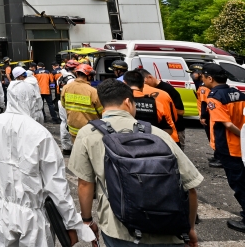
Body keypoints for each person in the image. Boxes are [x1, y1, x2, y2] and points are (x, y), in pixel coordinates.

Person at [69, 78, 202, 246]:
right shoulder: (157, 133)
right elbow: (190, 187)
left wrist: (87, 220)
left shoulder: (88, 134)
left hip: (119, 229)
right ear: (128, 102)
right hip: (168, 229)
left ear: (102, 104)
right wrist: (189, 229)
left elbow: (85, 184)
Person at [0, 71, 95, 247]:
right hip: (32, 217)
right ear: (33, 100)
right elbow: (56, 186)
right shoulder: (39, 133)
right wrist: (71, 222)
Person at [204, 63, 245, 232]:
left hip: (230, 147)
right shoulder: (238, 93)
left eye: (204, 77)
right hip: (241, 148)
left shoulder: (215, 97)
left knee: (239, 184)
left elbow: (227, 124)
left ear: (210, 78)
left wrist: (242, 137)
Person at [123, 70, 179, 144]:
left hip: (126, 146)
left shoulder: (119, 103)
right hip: (152, 145)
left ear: (124, 83)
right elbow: (169, 127)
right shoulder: (157, 103)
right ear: (143, 84)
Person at [142, 69, 186, 147]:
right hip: (159, 128)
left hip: (176, 127)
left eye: (145, 83)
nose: (144, 86)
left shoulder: (168, 89)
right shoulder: (143, 90)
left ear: (150, 77)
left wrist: (162, 108)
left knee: (178, 151)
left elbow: (181, 111)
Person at [60, 64, 102, 141]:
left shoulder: (66, 88)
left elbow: (63, 105)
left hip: (73, 130)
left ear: (76, 74)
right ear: (89, 76)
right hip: (89, 131)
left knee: (77, 151)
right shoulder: (93, 91)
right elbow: (101, 111)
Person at [190, 63, 221, 167]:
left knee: (213, 136)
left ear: (199, 74)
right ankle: (217, 156)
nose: (192, 75)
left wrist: (203, 116)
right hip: (209, 114)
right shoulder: (201, 85)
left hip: (208, 115)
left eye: (193, 73)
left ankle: (219, 158)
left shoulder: (203, 87)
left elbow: (204, 102)